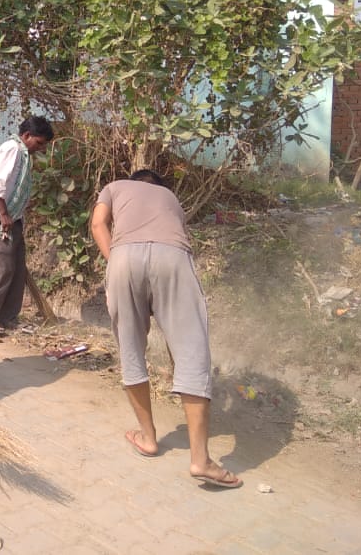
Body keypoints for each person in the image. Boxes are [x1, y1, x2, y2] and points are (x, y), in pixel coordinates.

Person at [90, 170, 243, 489]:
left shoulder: (114, 187)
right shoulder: (170, 198)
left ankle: (148, 439)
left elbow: (97, 224)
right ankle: (200, 459)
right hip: (172, 257)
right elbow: (174, 242)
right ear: (157, 185)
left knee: (131, 350)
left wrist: (115, 261)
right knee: (192, 353)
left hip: (122, 258)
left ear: (134, 181)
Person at [0, 116, 54, 336]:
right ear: (26, 136)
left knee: (16, 268)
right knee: (2, 267)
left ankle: (8, 318)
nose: (41, 148)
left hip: (12, 219)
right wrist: (4, 214)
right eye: (39, 143)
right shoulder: (12, 149)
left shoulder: (24, 154)